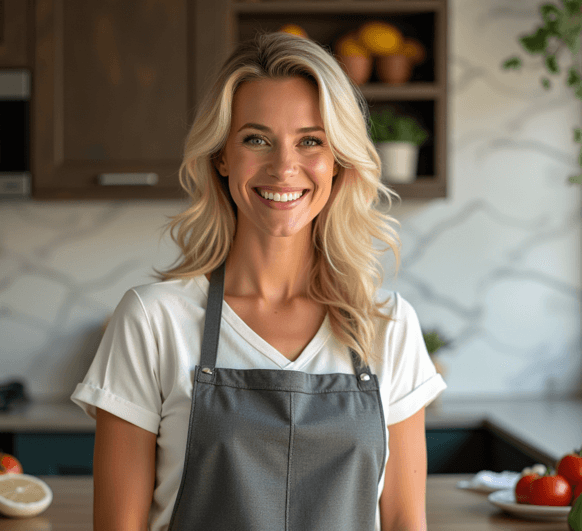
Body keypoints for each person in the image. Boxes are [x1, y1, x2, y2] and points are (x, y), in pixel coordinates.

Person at [71, 31, 446, 531]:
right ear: (222, 156)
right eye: (256, 139)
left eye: (310, 141)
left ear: (338, 162)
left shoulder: (388, 324)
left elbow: (403, 521)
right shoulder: (152, 319)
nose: (284, 166)